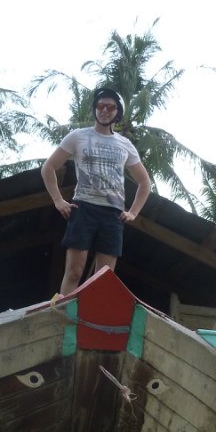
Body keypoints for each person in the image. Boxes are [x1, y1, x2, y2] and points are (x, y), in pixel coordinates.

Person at [41, 87, 152, 295]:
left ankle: (93, 323)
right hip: (83, 208)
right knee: (74, 271)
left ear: (116, 113)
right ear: (95, 110)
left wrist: (134, 212)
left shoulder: (125, 144)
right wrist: (58, 200)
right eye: (101, 106)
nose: (105, 110)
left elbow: (145, 182)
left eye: (110, 107)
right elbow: (48, 167)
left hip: (113, 214)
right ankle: (63, 316)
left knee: (104, 278)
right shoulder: (77, 137)